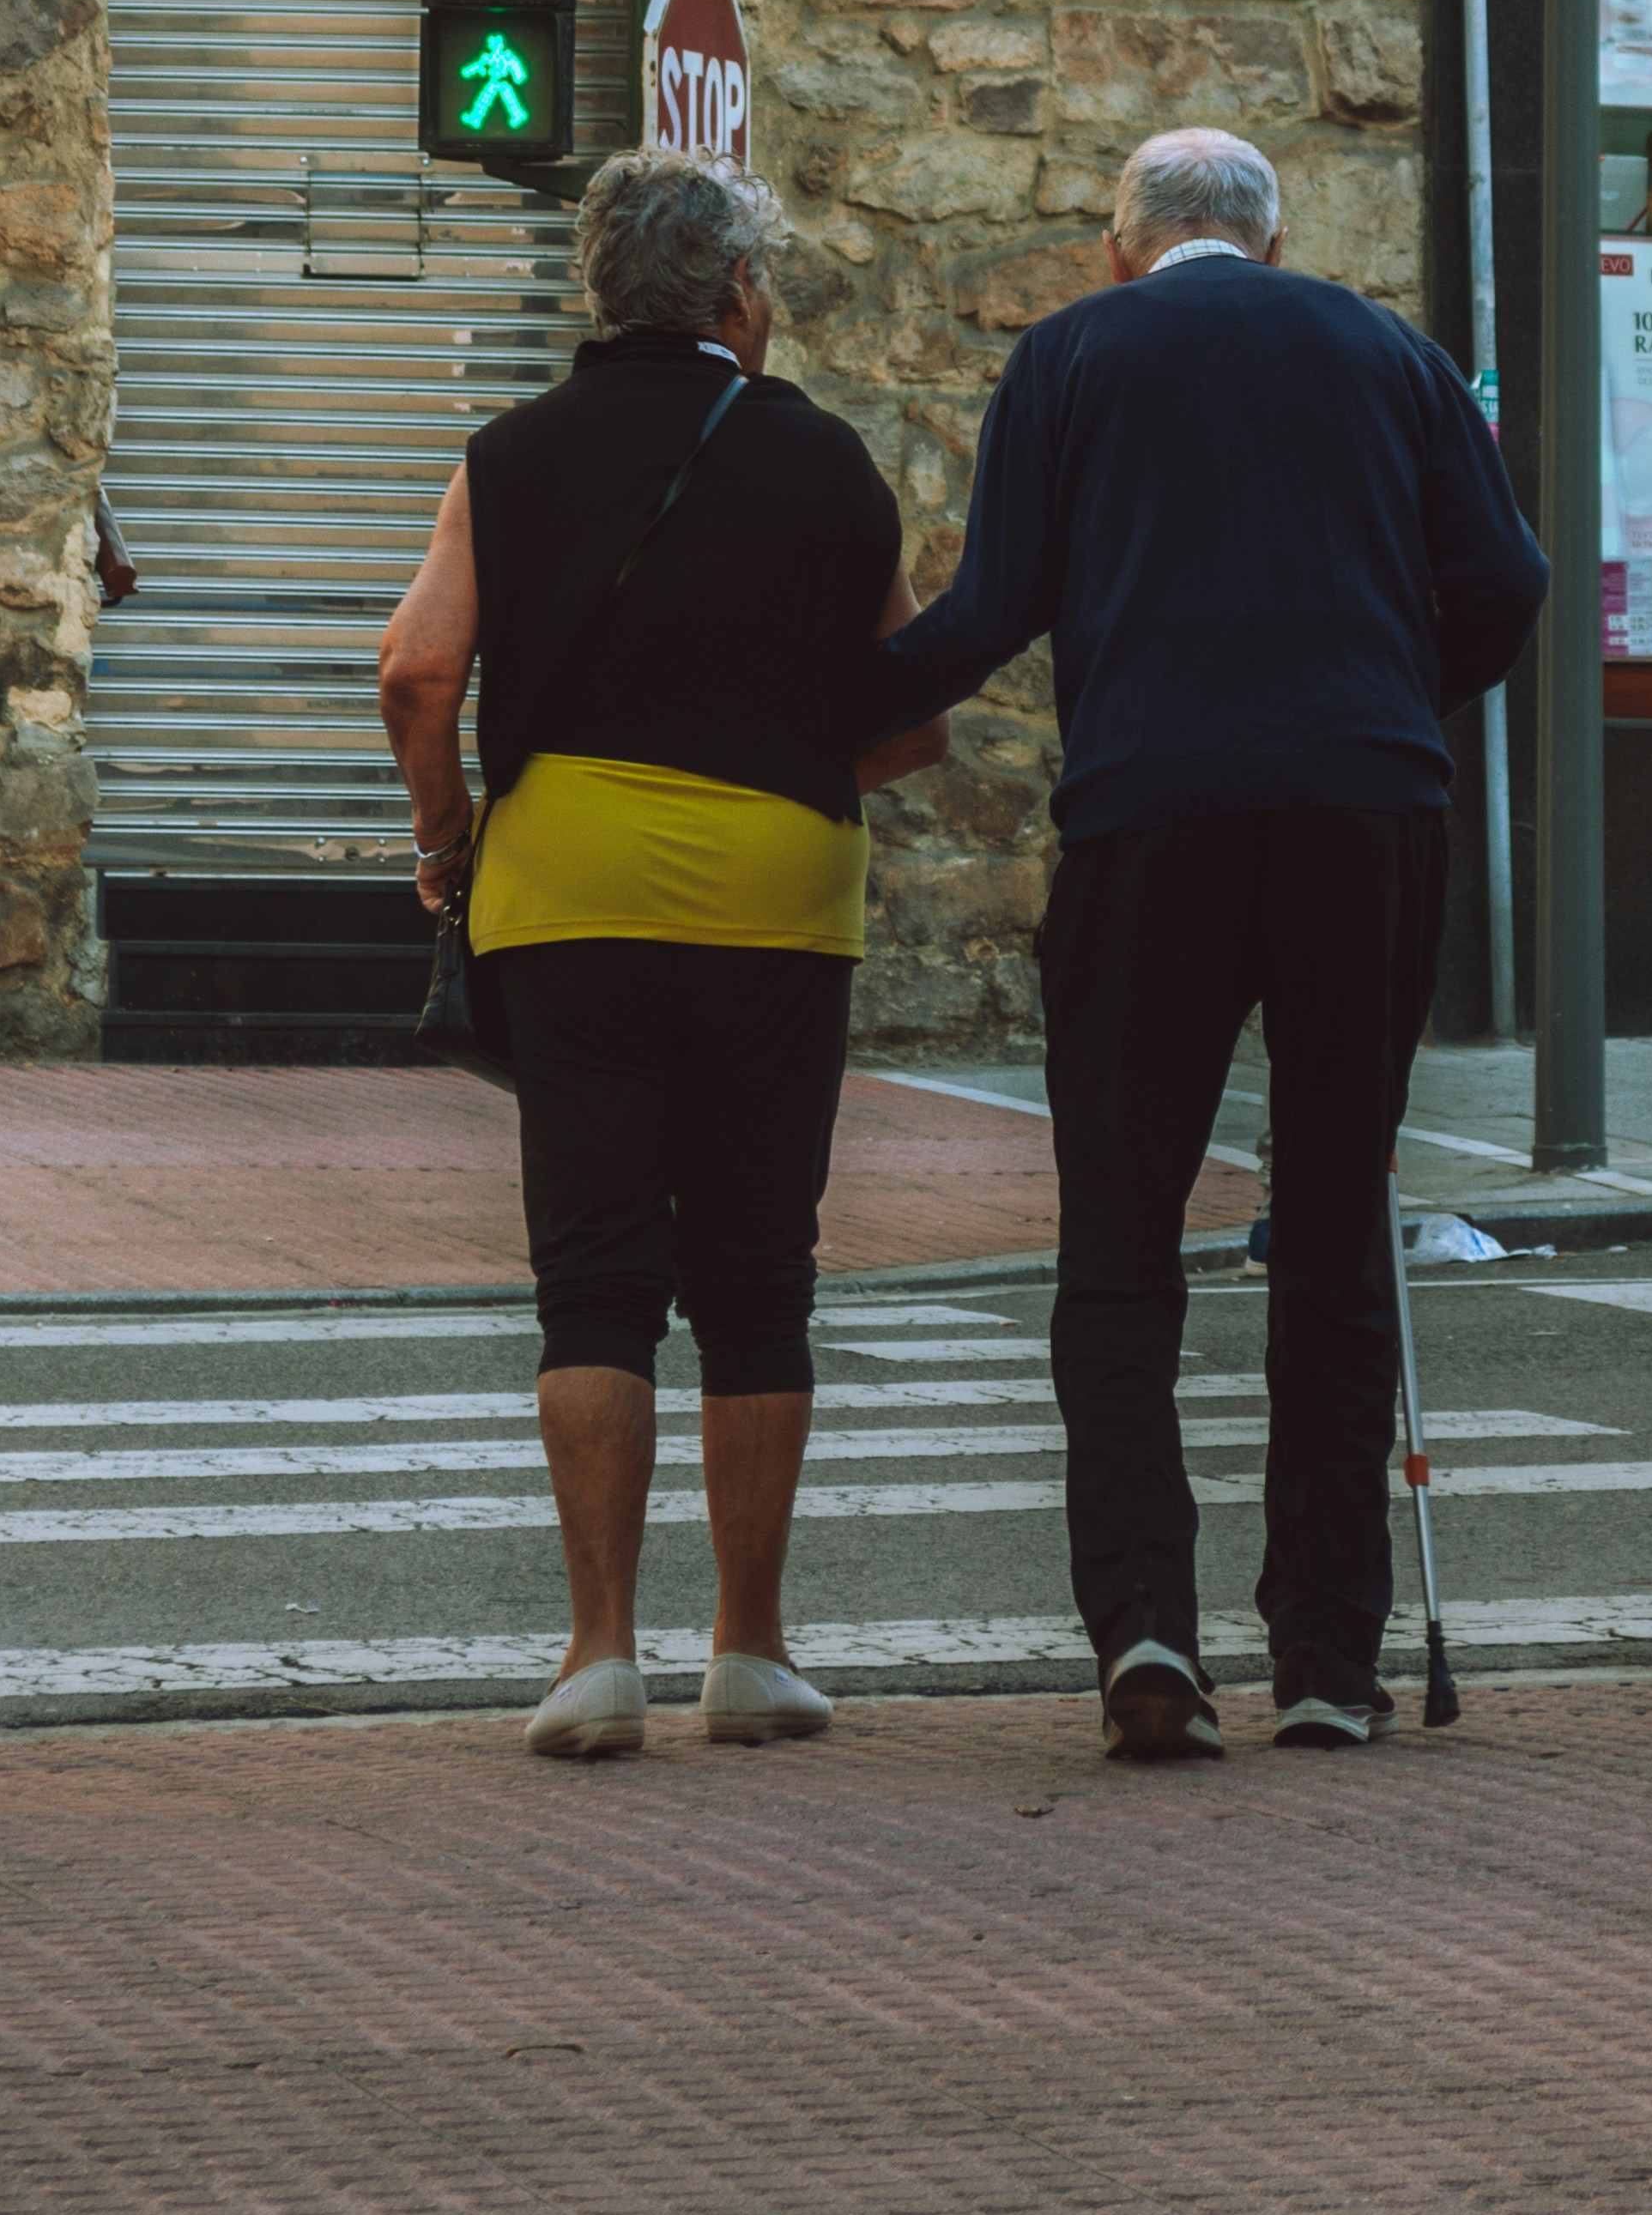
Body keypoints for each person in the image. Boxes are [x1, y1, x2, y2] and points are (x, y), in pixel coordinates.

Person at [870, 125, 1546, 1764]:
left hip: (1149, 820)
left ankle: (1147, 1635)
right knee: (1333, 1219)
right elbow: (1510, 582)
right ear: (1273, 233)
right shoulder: (1397, 352)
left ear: (1121, 246)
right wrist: (1387, 700)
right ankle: (1325, 1653)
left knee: (1120, 1227)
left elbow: (991, 610)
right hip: (1364, 816)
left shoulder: (1070, 356)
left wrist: (819, 706)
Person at [377, 148, 945, 1758]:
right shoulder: (830, 464)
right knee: (760, 1275)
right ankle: (750, 1654)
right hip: (777, 903)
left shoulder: (514, 453)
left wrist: (445, 839)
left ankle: (596, 1655)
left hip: (568, 897)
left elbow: (417, 674)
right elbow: (914, 726)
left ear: (597, 294)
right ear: (743, 299)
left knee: (595, 1275)